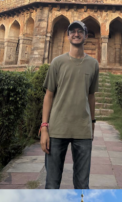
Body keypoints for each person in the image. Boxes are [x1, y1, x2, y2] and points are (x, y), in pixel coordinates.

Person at [40, 20, 99, 190]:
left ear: (86, 36)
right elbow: (48, 96)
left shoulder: (93, 64)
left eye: (80, 31)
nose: (76, 34)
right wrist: (44, 127)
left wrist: (92, 124)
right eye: (72, 31)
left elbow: (91, 96)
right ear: (67, 36)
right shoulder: (57, 63)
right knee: (52, 183)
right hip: (57, 129)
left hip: (82, 130)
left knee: (82, 185)